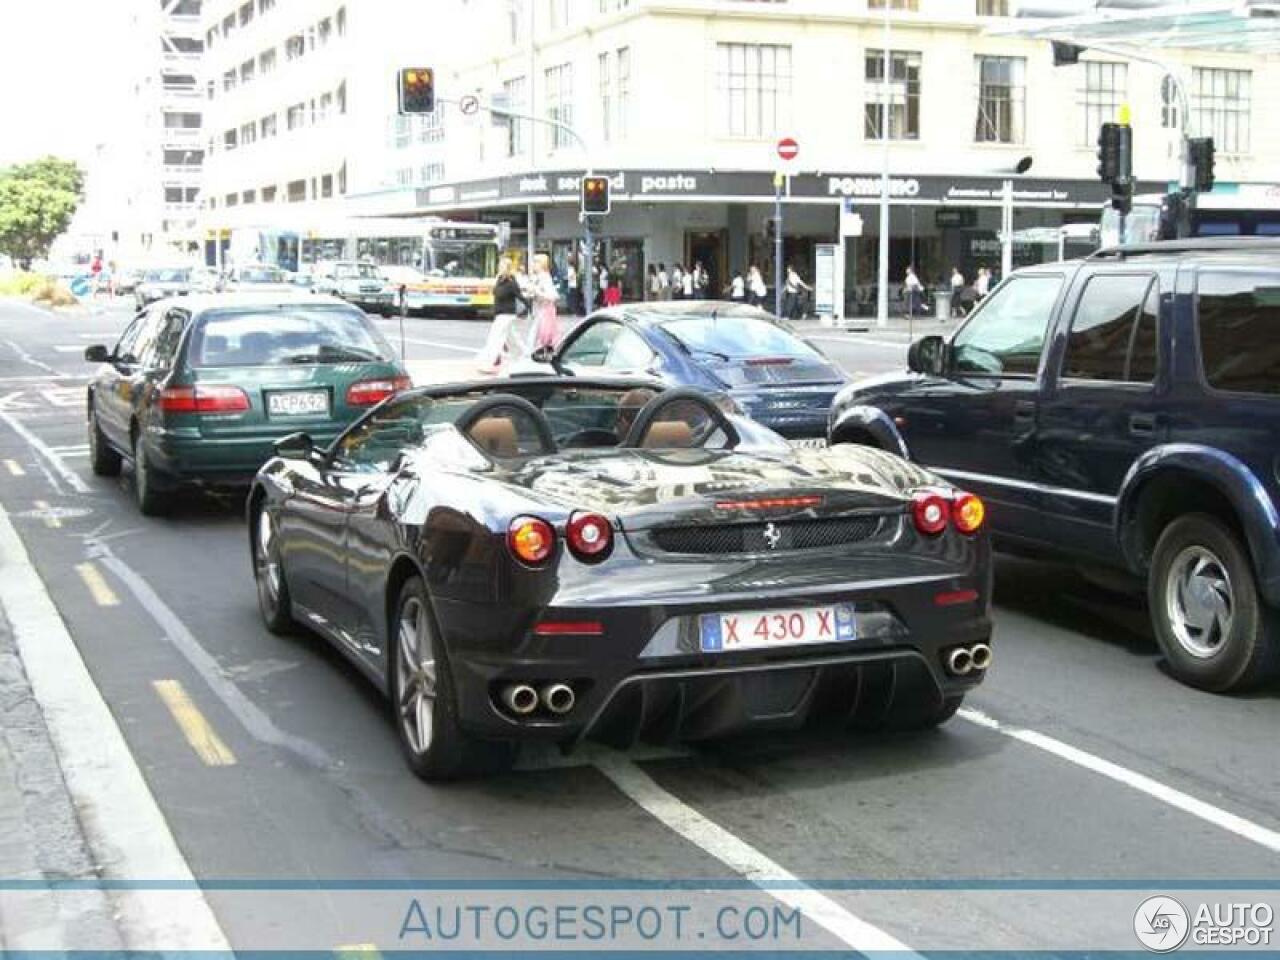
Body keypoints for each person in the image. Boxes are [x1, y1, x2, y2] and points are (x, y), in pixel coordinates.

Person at [477, 257, 528, 373]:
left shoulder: (511, 282)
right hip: (500, 313)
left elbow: (519, 296)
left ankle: (489, 362)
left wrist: (527, 307)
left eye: (501, 266)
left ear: (507, 268)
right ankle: (524, 356)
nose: (499, 268)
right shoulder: (499, 279)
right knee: (512, 339)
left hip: (507, 313)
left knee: (496, 337)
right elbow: (496, 293)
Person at [530, 253, 561, 353]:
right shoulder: (538, 277)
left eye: (535, 262)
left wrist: (536, 291)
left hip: (545, 310)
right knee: (538, 333)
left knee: (541, 334)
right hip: (541, 309)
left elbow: (552, 296)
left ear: (541, 264)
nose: (533, 265)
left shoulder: (544, 277)